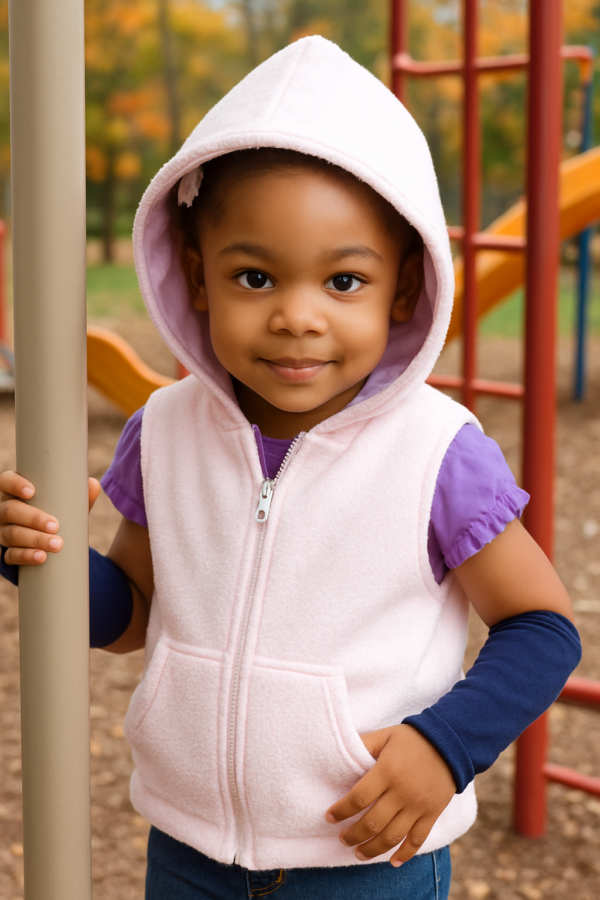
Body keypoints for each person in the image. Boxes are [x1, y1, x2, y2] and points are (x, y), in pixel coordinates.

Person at [0, 37, 581, 900]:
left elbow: (542, 627)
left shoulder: (436, 453)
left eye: (343, 282)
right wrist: (41, 558)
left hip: (365, 860)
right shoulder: (166, 430)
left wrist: (445, 745)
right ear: (198, 276)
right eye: (255, 276)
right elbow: (133, 613)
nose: (296, 317)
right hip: (189, 853)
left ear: (404, 290)